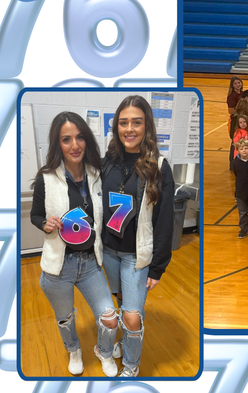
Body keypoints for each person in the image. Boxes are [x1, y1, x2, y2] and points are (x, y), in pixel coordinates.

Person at [31, 111, 120, 376]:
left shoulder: (97, 173)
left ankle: (103, 352)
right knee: (65, 319)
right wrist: (44, 224)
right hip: (59, 266)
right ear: (58, 144)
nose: (75, 145)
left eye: (79, 137)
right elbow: (36, 214)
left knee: (109, 317)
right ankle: (74, 350)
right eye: (66, 139)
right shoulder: (46, 178)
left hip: (91, 263)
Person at [100, 95, 176, 377]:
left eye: (136, 122)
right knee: (121, 304)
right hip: (107, 252)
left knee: (132, 316)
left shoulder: (159, 165)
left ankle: (131, 366)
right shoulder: (107, 160)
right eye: (123, 122)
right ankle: (122, 341)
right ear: (115, 126)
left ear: (147, 126)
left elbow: (165, 220)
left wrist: (157, 267)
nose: (129, 129)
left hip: (136, 256)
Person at [231, 140, 248, 239]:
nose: (244, 151)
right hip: (240, 192)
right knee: (242, 213)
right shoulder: (236, 162)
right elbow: (236, 174)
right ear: (237, 150)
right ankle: (243, 229)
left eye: (246, 148)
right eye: (241, 149)